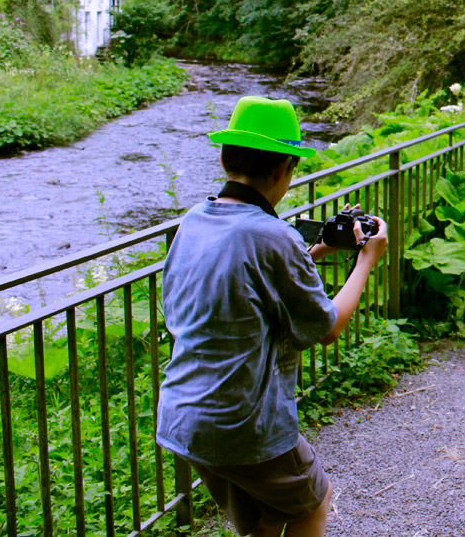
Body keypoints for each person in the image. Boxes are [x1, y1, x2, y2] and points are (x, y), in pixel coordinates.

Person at [156, 96, 388, 537]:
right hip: (241, 421)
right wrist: (366, 261)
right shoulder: (273, 235)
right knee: (313, 504)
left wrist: (310, 253)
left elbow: (238, 276)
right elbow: (327, 327)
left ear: (224, 159)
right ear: (284, 168)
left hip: (183, 415)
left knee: (265, 519)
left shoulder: (195, 220)